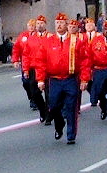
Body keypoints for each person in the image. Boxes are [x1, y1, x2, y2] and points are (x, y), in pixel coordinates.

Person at [35, 13, 90, 145]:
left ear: (66, 25)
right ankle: (59, 125)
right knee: (53, 106)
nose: (59, 25)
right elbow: (40, 61)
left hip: (70, 79)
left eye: (61, 23)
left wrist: (84, 79)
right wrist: (41, 79)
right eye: (57, 23)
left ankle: (71, 135)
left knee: (71, 108)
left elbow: (85, 61)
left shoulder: (75, 41)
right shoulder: (48, 42)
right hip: (54, 80)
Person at [22, 15, 52, 123]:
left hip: (47, 68)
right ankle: (42, 110)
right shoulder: (31, 39)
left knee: (48, 93)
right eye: (38, 23)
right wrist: (25, 69)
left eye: (42, 23)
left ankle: (48, 115)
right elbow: (25, 55)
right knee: (34, 92)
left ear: (45, 24)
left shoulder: (50, 37)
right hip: (34, 68)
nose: (39, 25)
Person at [12, 19, 36, 110]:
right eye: (29, 25)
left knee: (33, 83)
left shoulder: (38, 36)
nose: (31, 27)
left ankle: (34, 100)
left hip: (36, 63)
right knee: (26, 82)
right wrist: (15, 60)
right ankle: (31, 96)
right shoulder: (23, 36)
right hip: (25, 63)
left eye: (33, 26)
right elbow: (16, 48)